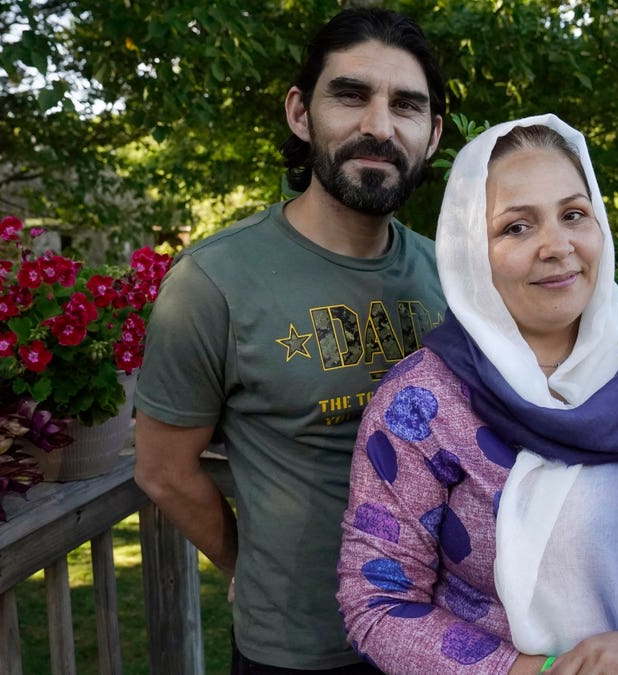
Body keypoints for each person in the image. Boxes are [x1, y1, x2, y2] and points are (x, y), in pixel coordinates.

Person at [337, 115, 618, 675]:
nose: (557, 246)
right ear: (469, 253)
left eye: (573, 214)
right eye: (516, 227)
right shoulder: (423, 402)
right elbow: (379, 602)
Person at [133, 7, 447, 673]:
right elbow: (162, 469)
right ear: (301, 113)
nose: (378, 126)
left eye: (407, 105)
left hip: (444, 635)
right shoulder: (213, 281)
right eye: (351, 95)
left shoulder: (454, 277)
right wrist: (242, 561)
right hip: (301, 650)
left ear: (434, 133)